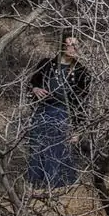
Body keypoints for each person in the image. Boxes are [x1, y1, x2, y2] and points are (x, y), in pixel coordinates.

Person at [25, 35, 89, 190]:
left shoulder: (81, 72)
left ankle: (58, 188)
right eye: (70, 45)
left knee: (58, 150)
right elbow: (32, 82)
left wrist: (78, 130)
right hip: (42, 112)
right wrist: (35, 89)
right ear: (62, 46)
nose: (74, 48)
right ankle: (36, 187)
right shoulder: (47, 64)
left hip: (64, 114)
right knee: (38, 147)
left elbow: (83, 103)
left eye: (76, 45)